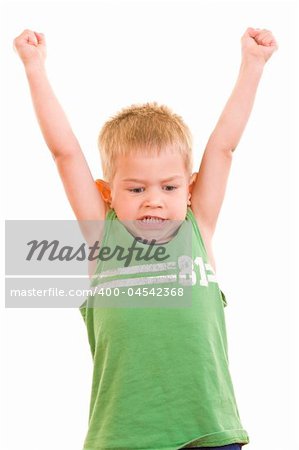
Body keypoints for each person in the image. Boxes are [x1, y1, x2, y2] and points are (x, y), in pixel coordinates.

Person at [13, 26, 278, 450]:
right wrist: (34, 68)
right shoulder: (103, 232)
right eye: (137, 189)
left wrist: (253, 65)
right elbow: (65, 152)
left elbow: (224, 147)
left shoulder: (198, 225)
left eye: (169, 187)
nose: (154, 201)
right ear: (108, 193)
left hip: (208, 430)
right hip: (123, 437)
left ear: (189, 188)